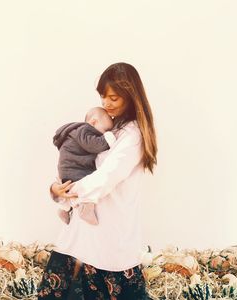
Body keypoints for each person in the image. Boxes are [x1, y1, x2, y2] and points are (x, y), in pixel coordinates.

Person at [37, 62, 157, 299]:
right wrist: (56, 188)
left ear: (131, 97)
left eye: (114, 98)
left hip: (110, 234)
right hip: (83, 231)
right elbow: (75, 159)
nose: (106, 104)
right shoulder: (106, 128)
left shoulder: (133, 135)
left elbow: (105, 177)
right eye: (103, 97)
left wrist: (70, 191)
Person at [53, 106, 116, 225]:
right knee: (89, 186)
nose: (104, 133)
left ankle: (64, 209)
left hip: (67, 171)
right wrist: (108, 138)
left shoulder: (77, 132)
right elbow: (93, 145)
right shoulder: (84, 129)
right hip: (75, 169)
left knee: (70, 193)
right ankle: (86, 208)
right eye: (105, 130)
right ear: (93, 122)